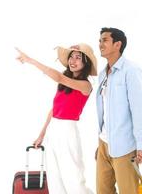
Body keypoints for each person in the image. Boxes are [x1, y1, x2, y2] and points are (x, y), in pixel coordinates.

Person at [15, 43, 97, 194]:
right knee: (55, 179)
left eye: (78, 57)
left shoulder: (85, 85)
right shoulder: (63, 84)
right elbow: (54, 110)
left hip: (68, 130)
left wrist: (30, 60)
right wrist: (42, 134)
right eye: (71, 57)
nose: (73, 60)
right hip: (53, 129)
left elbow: (58, 76)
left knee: (74, 179)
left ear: (86, 63)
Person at [95, 27, 142, 194]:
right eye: (99, 40)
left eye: (105, 40)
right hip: (104, 144)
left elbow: (139, 111)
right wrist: (101, 141)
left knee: (128, 191)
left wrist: (141, 145)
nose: (100, 44)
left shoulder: (131, 71)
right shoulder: (103, 74)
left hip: (125, 147)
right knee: (103, 191)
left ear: (117, 44)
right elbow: (104, 110)